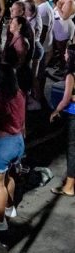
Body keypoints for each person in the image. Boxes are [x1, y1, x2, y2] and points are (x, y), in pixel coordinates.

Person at [0, 64, 25, 231]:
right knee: (7, 177)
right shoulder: (19, 95)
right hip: (17, 141)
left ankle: (0, 221)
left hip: (2, 146)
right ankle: (9, 208)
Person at [50, 47, 75, 197]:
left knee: (72, 151)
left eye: (66, 52)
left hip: (73, 115)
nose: (64, 54)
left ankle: (69, 187)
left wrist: (55, 111)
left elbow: (65, 99)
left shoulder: (71, 76)